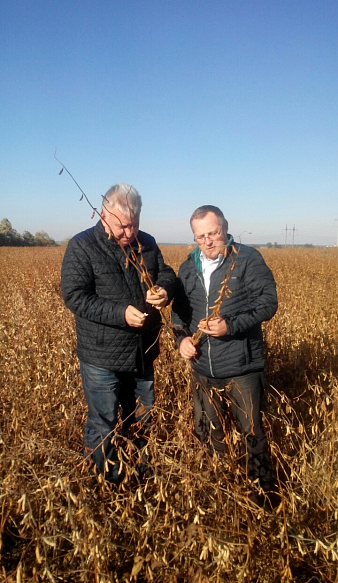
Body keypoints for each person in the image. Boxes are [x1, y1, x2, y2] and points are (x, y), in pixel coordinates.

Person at [61, 183, 176, 484]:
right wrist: (120, 314)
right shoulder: (82, 246)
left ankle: (140, 476)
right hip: (102, 357)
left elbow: (166, 273)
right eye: (122, 226)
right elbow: (75, 296)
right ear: (102, 215)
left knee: (141, 418)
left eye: (134, 225)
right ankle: (106, 480)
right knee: (104, 423)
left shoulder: (146, 243)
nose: (129, 233)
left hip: (143, 353)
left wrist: (164, 290)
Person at [171, 205, 278, 499]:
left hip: (242, 369)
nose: (207, 241)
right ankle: (221, 494)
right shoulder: (187, 267)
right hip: (202, 370)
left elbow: (268, 303)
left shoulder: (246, 259)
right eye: (200, 236)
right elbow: (178, 315)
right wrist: (180, 340)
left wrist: (229, 326)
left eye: (213, 233)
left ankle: (262, 500)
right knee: (209, 434)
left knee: (252, 436)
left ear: (225, 229)